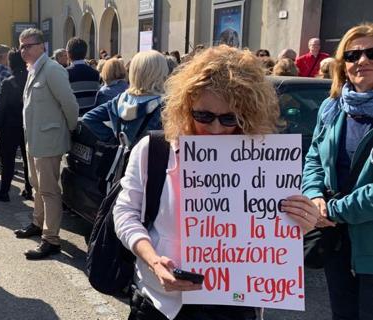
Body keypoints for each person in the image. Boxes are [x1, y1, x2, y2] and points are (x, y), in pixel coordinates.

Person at [114, 45, 319, 320]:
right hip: (161, 303)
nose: (215, 129)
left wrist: (300, 224)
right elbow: (125, 212)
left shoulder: (266, 161)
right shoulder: (154, 150)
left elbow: (270, 236)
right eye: (203, 116)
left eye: (229, 118)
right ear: (186, 108)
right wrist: (153, 261)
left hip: (234, 304)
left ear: (248, 115)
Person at [302, 23, 373, 320]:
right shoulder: (331, 108)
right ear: (342, 64)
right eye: (353, 55)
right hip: (336, 242)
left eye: (371, 53)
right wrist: (314, 195)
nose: (362, 61)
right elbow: (314, 158)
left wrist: (330, 210)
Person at [14, 28, 78, 259]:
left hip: (48, 141)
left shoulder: (52, 70)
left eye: (28, 45)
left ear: (42, 46)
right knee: (36, 185)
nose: (23, 50)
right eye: (21, 46)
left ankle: (51, 239)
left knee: (49, 190)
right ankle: (38, 223)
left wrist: (70, 129)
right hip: (34, 140)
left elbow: (69, 104)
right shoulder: (33, 70)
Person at [82, 51, 167, 146]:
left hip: (123, 157)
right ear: (160, 73)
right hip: (150, 159)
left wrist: (115, 139)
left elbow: (88, 118)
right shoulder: (164, 106)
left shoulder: (119, 100)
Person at [0, 49, 32, 202]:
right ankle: (29, 188)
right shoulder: (30, 78)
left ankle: (4, 191)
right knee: (28, 159)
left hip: (9, 126)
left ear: (11, 62)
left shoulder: (8, 82)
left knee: (8, 160)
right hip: (27, 123)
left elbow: (0, 108)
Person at [66, 37, 100, 115]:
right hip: (90, 117)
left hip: (72, 118)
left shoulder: (64, 73)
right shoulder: (95, 73)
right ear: (85, 53)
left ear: (68, 53)